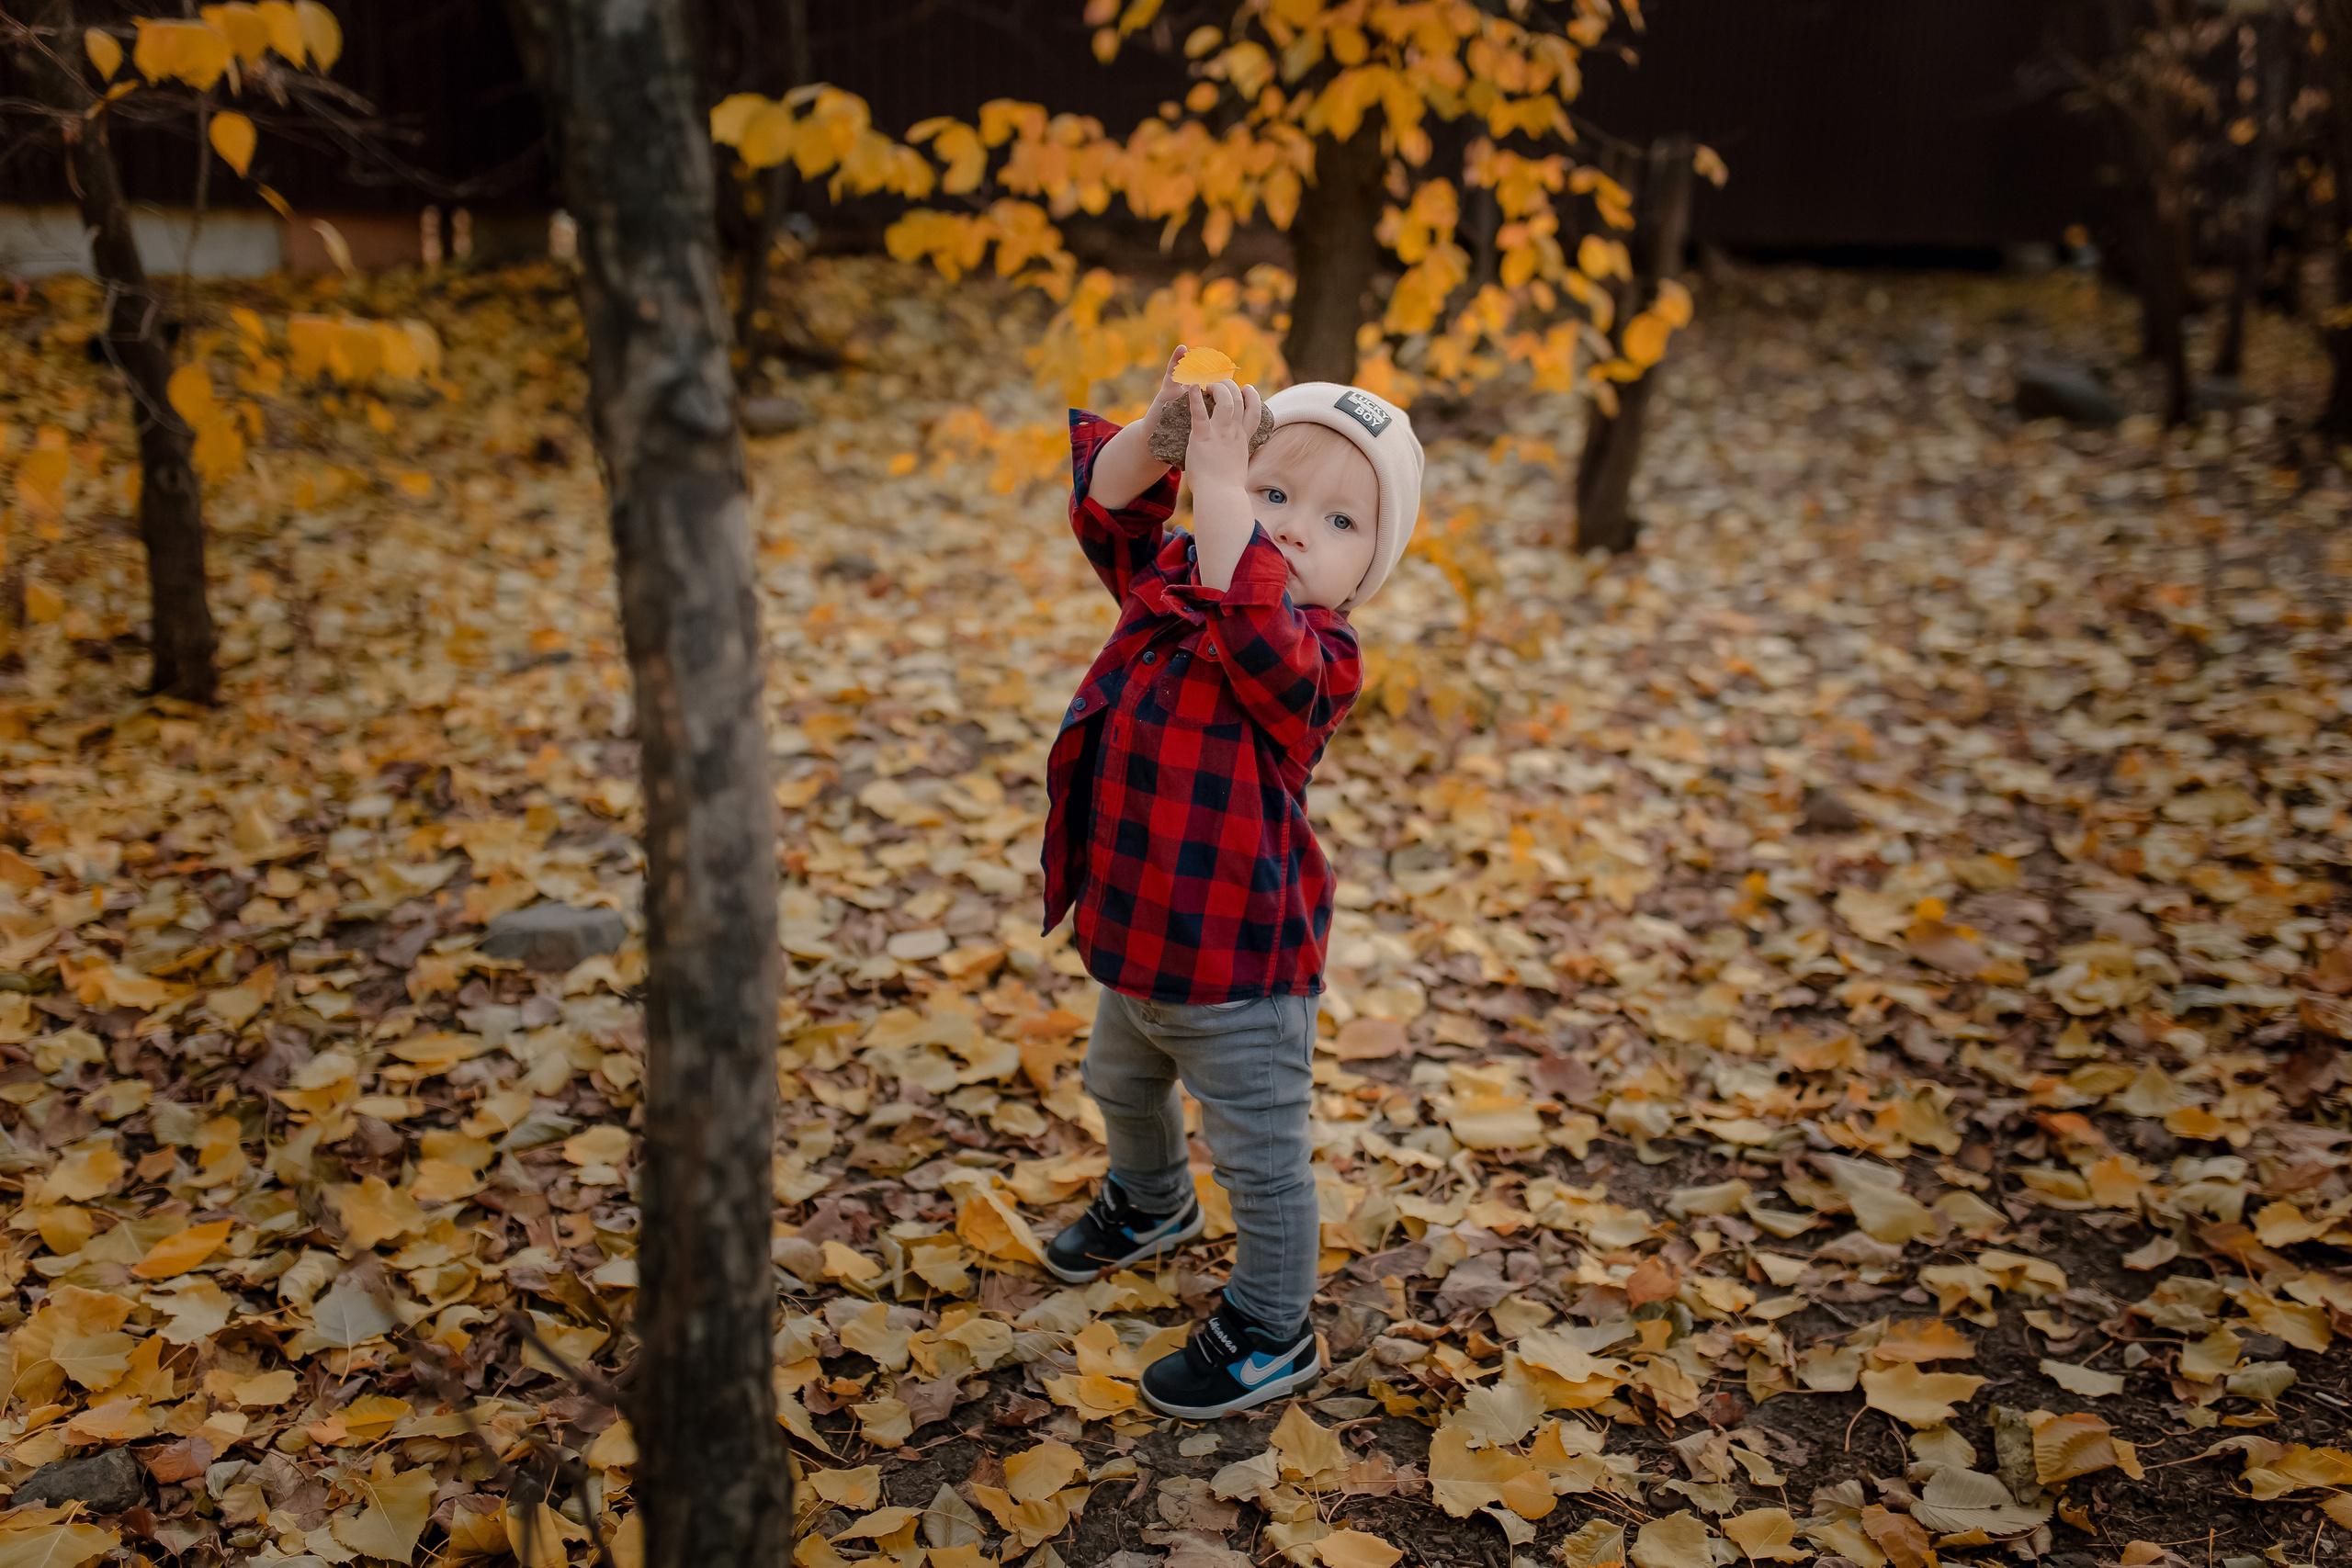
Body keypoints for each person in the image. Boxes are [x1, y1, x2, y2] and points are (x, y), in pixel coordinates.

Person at [1036, 345, 1424, 1418]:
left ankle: (1270, 1326)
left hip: (1240, 969)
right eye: (1275, 491)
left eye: (1341, 523)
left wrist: (1223, 494)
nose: (1297, 527)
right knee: (1119, 1085)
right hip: (1136, 936)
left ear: (1366, 573)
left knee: (1261, 1163)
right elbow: (1106, 513)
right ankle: (1151, 1201)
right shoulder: (1169, 590)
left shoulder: (1316, 656)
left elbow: (1254, 619)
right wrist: (1162, 441)